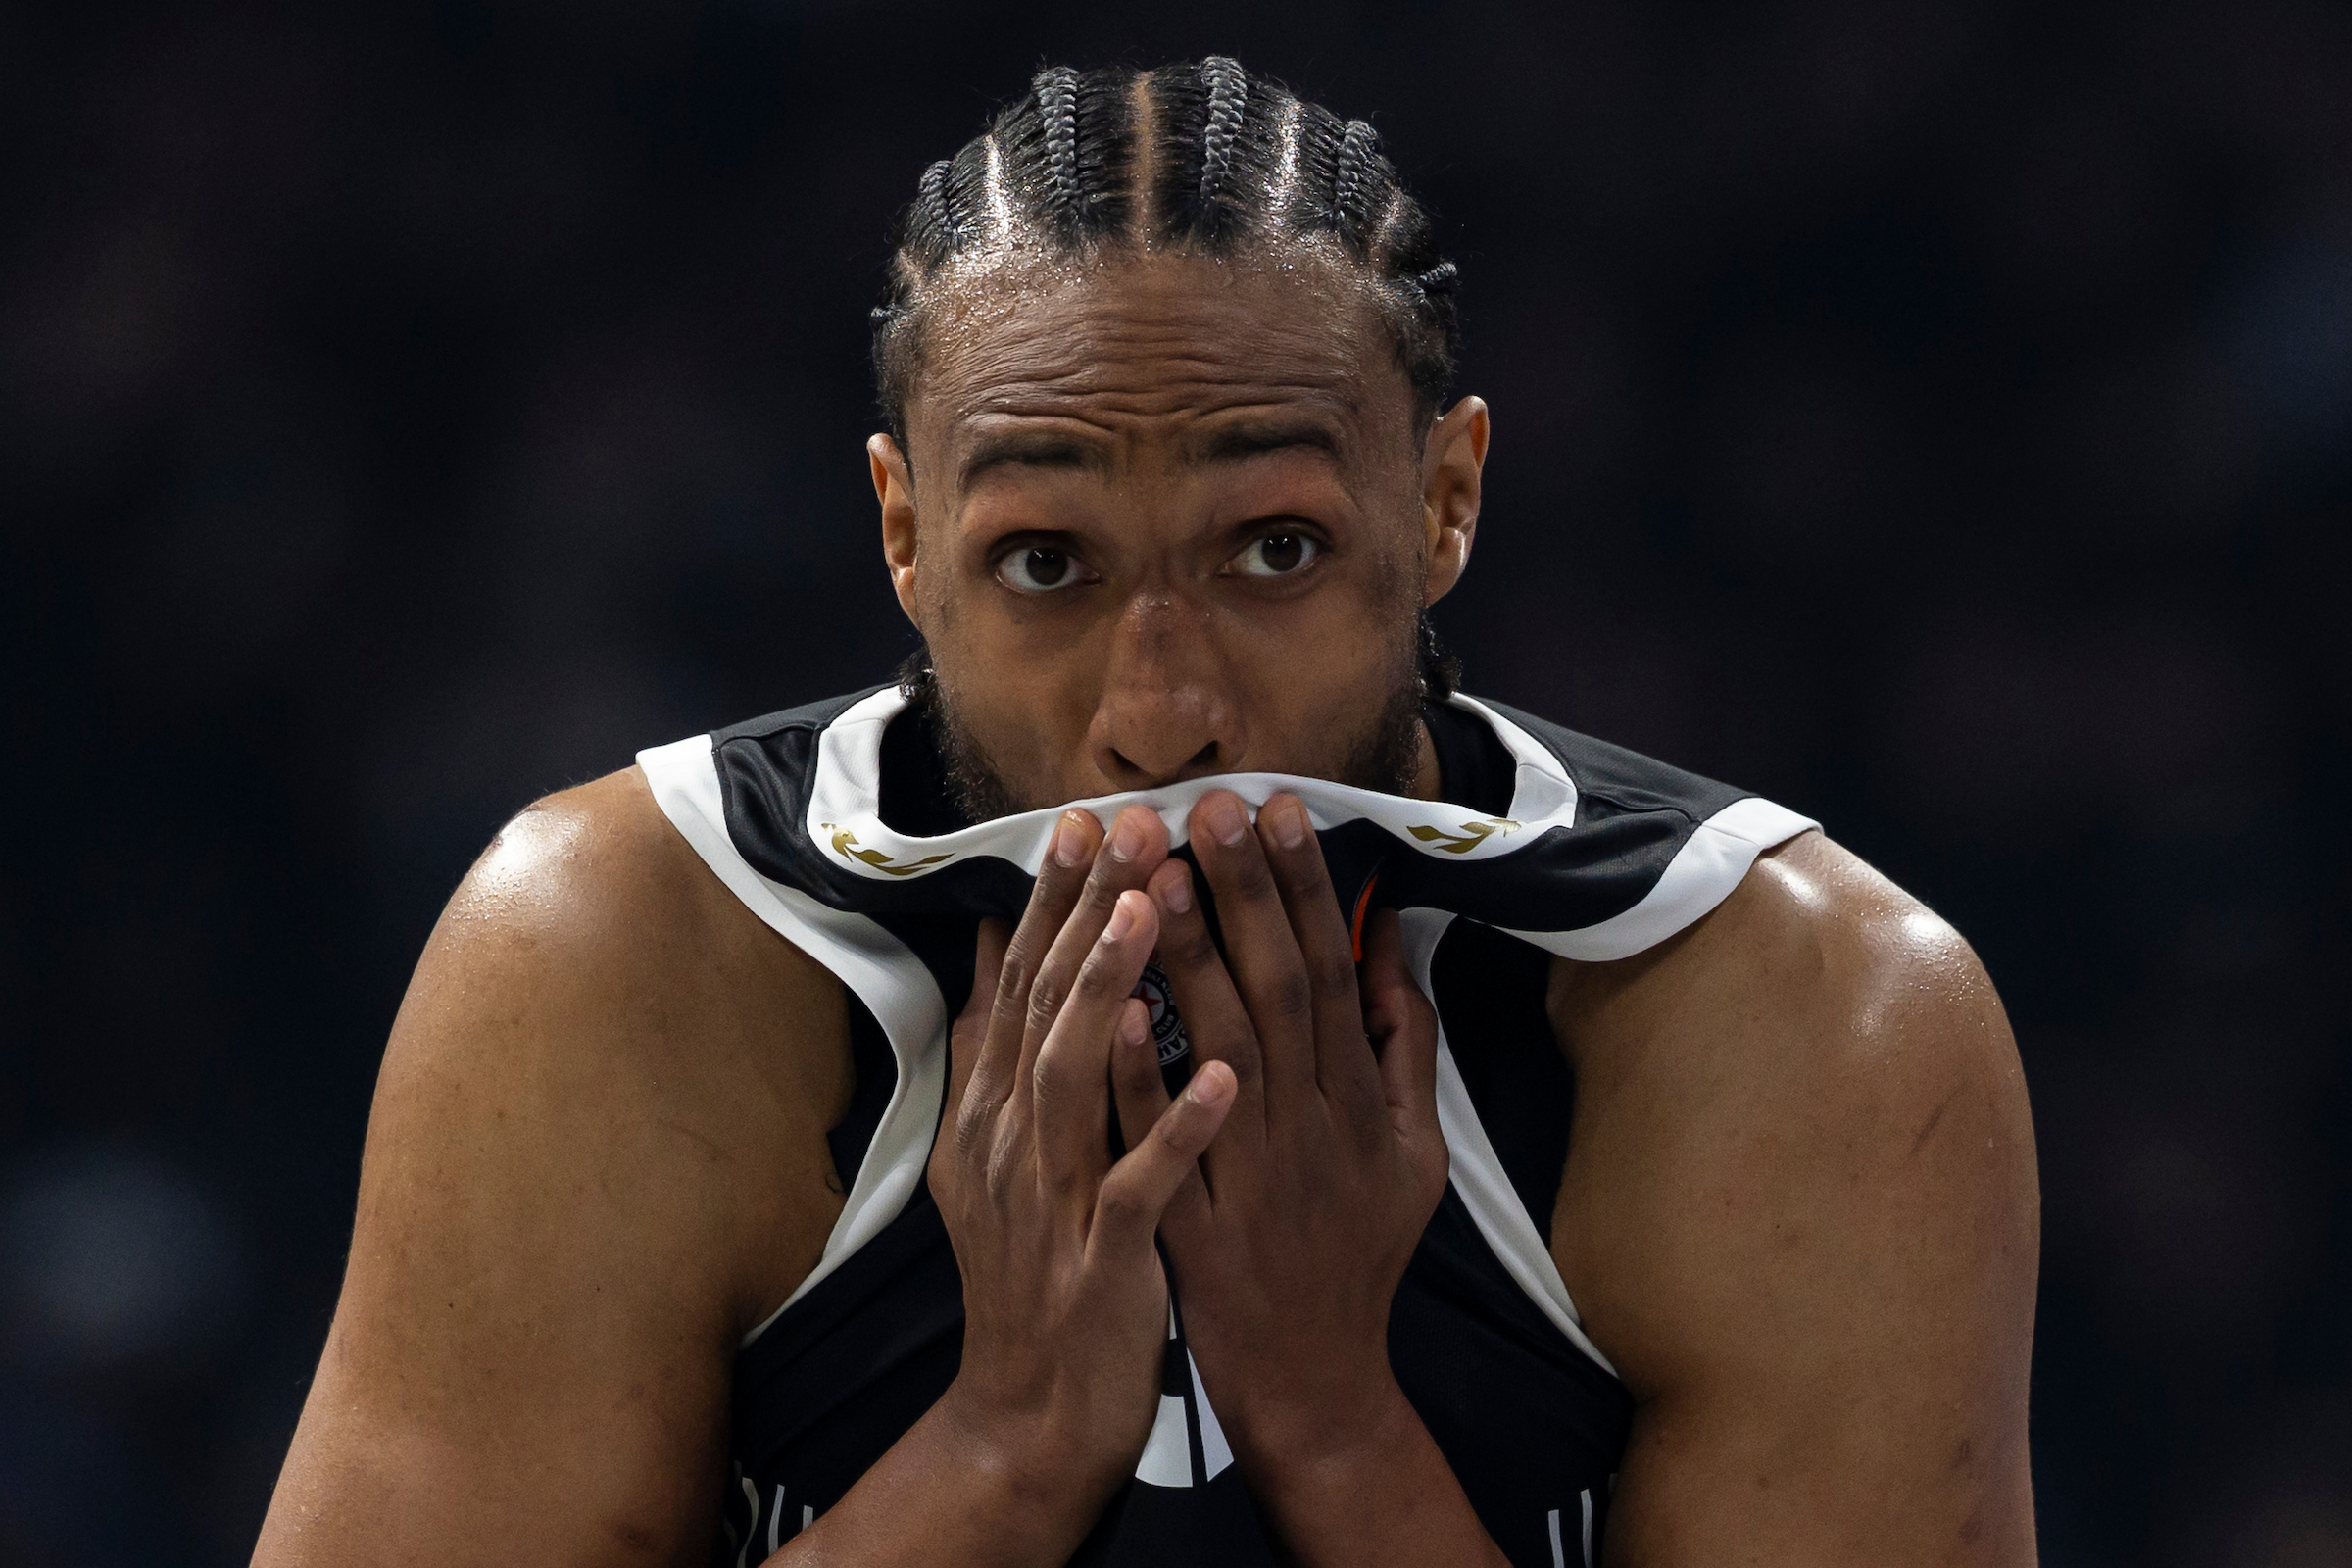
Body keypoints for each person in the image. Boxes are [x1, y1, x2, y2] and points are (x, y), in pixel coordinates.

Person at [253, 58, 2039, 1568]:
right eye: (1046, 562)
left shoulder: (1811, 1018)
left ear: (1444, 499)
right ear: (901, 535)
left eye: (1276, 551)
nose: (1161, 714)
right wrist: (1004, 1447)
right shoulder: (614, 957)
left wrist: (1345, 1436)